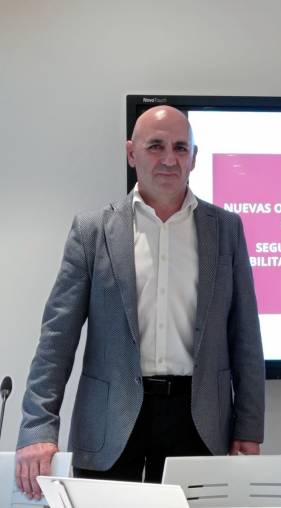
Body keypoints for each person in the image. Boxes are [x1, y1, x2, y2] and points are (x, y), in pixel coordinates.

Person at [15, 106, 265, 498]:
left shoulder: (226, 230)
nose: (169, 159)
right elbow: (56, 340)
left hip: (199, 421)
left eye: (180, 148)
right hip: (109, 420)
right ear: (132, 153)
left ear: (194, 157)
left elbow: (245, 336)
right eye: (156, 146)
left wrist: (248, 428)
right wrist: (37, 428)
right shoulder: (92, 231)